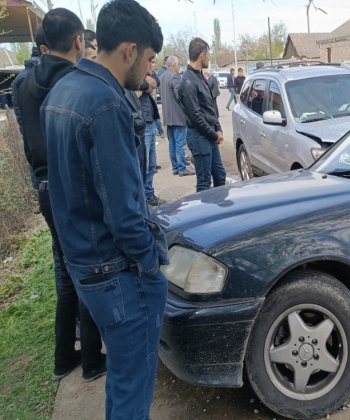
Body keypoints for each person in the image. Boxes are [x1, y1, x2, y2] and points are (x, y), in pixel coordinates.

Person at [41, 1, 169, 417]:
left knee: (123, 380)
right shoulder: (107, 104)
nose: (150, 70)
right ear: (130, 50)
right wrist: (151, 265)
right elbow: (125, 213)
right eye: (150, 58)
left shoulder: (64, 89)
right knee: (133, 391)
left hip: (86, 265)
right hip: (117, 274)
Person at [14, 8, 106, 382]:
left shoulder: (21, 83)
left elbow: (26, 137)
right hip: (72, 189)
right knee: (85, 269)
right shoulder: (76, 81)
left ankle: (63, 356)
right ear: (78, 41)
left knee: (65, 273)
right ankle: (91, 361)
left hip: (44, 189)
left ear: (42, 44)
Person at [178, 37, 226, 192]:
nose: (209, 58)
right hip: (199, 137)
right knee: (204, 182)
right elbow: (196, 116)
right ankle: (205, 214)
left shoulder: (199, 76)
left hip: (209, 134)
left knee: (220, 176)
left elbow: (210, 106)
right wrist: (214, 135)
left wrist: (218, 128)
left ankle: (219, 213)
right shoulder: (187, 82)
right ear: (202, 54)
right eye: (208, 54)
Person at [158, 55, 193, 177]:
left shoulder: (161, 77)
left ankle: (175, 168)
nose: (179, 67)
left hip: (168, 115)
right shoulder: (174, 76)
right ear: (173, 65)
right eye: (178, 65)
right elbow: (179, 95)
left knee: (172, 143)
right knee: (180, 143)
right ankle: (182, 168)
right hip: (177, 115)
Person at [137, 68, 165, 206]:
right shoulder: (133, 72)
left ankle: (149, 194)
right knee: (144, 165)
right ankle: (143, 198)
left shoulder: (147, 74)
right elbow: (140, 87)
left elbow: (155, 83)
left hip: (151, 122)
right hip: (142, 124)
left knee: (152, 164)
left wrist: (147, 83)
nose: (151, 65)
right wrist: (145, 85)